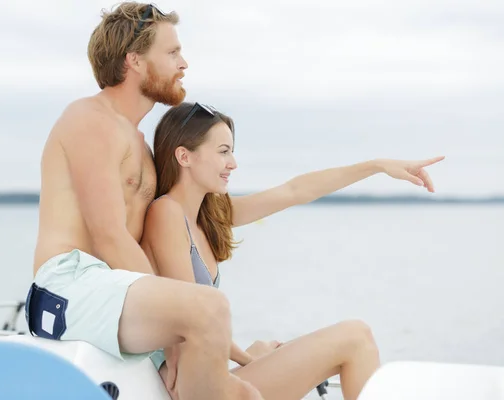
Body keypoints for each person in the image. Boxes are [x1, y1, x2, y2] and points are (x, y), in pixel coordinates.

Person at [25, 3, 262, 400]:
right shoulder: (88, 119)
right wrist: (174, 335)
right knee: (209, 307)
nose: (183, 64)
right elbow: (109, 237)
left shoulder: (138, 142)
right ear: (134, 60)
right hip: (67, 286)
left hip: (118, 292)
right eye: (171, 53)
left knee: (244, 394)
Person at [140, 102, 445, 400]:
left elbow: (295, 191)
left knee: (350, 338)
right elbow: (190, 317)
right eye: (223, 152)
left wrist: (377, 166)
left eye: (232, 151)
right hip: (195, 388)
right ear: (184, 156)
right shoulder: (166, 213)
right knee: (356, 336)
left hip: (211, 378)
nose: (233, 163)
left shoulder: (209, 217)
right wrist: (250, 360)